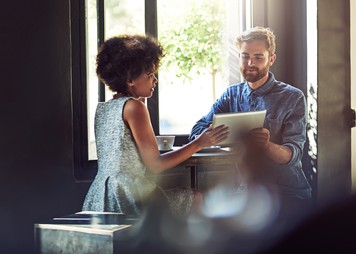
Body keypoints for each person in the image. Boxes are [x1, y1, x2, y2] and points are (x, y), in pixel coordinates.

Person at [82, 34, 228, 218]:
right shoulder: (135, 107)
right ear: (129, 80)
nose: (155, 80)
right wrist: (200, 142)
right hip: (130, 197)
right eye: (150, 74)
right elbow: (155, 165)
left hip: (101, 196)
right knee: (197, 198)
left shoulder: (103, 109)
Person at [189, 26, 312, 226]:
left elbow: (293, 155)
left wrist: (267, 146)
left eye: (258, 57)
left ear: (271, 59)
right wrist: (211, 136)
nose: (250, 63)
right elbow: (197, 130)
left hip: (287, 192)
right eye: (245, 56)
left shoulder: (293, 97)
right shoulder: (231, 95)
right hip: (245, 191)